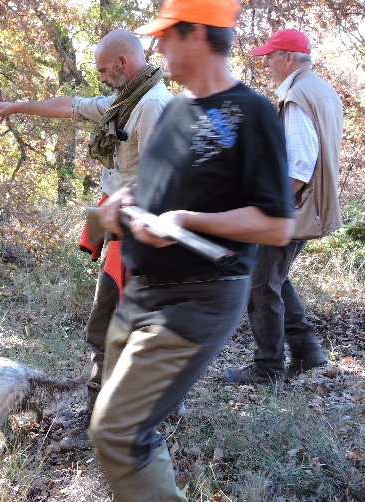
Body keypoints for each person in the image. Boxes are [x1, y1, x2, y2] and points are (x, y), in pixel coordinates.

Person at [90, 0, 295, 499]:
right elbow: (154, 196)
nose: (156, 46)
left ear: (197, 35)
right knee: (119, 428)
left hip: (199, 299)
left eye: (166, 36)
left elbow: (276, 225)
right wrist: (120, 210)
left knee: (119, 433)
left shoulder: (251, 113)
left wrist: (185, 221)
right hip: (141, 293)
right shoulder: (177, 111)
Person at [0, 29, 172, 450]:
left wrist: (129, 217)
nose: (102, 78)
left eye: (105, 70)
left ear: (123, 63)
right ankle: (124, 414)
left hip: (138, 235)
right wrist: (19, 106)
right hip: (119, 223)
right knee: (117, 328)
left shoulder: (155, 106)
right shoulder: (125, 100)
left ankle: (105, 426)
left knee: (110, 329)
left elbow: (169, 182)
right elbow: (69, 106)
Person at [224, 29, 343, 390]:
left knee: (260, 283)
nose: (266, 64)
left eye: (270, 57)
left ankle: (268, 367)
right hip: (312, 206)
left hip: (295, 207)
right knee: (274, 276)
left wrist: (270, 210)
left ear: (288, 58)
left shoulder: (296, 96)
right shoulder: (322, 90)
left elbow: (299, 168)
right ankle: (306, 350)